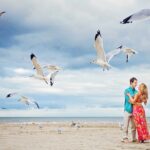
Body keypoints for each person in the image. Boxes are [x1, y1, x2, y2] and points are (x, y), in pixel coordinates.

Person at [122, 77, 138, 143]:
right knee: (126, 125)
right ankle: (125, 138)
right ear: (131, 82)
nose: (136, 84)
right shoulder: (126, 90)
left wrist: (132, 97)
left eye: (136, 83)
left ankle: (134, 138)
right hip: (127, 110)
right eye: (135, 82)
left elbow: (136, 101)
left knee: (134, 126)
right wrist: (134, 98)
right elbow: (130, 101)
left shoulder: (137, 91)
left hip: (134, 111)